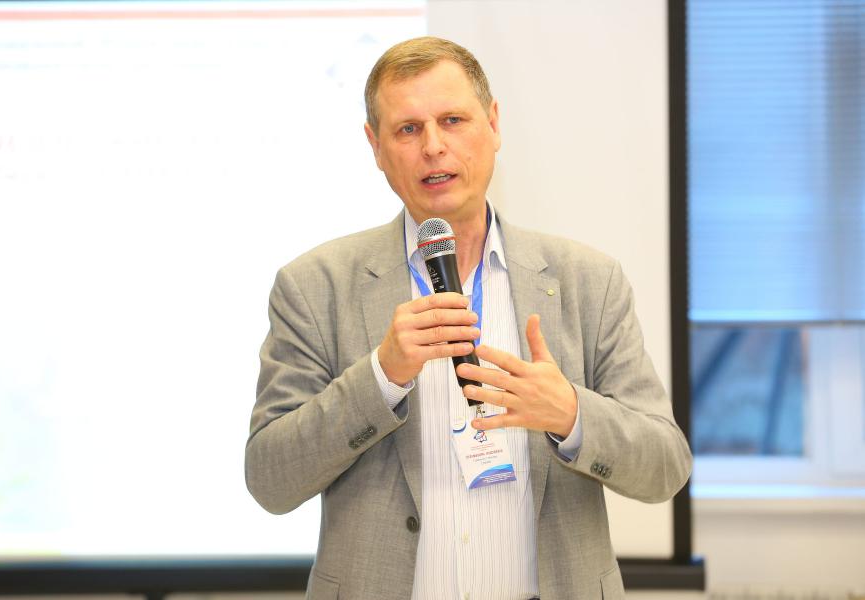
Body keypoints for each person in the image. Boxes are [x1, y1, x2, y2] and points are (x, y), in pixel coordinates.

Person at [245, 36, 692, 600]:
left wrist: (571, 414)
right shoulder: (314, 286)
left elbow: (665, 467)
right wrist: (380, 377)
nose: (433, 146)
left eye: (453, 120)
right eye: (408, 129)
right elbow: (271, 480)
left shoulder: (588, 281)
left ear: (494, 124)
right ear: (375, 147)